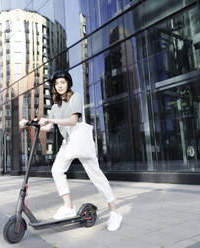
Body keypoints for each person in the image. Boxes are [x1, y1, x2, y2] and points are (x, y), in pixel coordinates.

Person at [19, 70, 122, 231]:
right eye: (57, 83)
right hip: (67, 143)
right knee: (57, 170)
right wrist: (30, 124)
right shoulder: (54, 106)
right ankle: (68, 207)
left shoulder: (76, 97)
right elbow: (49, 127)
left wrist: (49, 119)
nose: (59, 86)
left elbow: (73, 120)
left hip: (80, 141)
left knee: (96, 177)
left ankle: (114, 213)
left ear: (68, 83)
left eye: (62, 82)